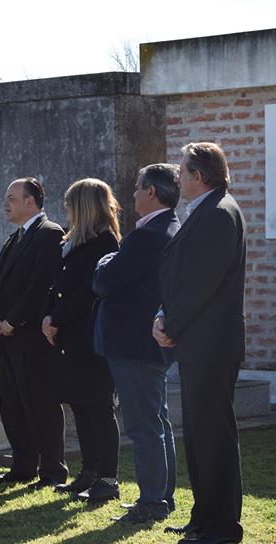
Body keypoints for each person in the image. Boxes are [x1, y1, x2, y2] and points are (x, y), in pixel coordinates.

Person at [155, 142, 246, 544]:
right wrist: (162, 316)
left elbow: (202, 285)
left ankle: (222, 526)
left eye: (182, 171)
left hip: (210, 344)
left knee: (213, 435)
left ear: (200, 176)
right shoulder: (206, 210)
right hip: (196, 340)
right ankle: (203, 517)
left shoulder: (219, 214)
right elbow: (181, 278)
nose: (177, 178)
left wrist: (170, 323)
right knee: (197, 433)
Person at [94, 164, 180, 523]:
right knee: (156, 421)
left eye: (137, 188)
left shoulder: (149, 235)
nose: (131, 194)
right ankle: (162, 497)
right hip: (147, 342)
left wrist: (104, 260)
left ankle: (152, 503)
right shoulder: (168, 228)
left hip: (134, 343)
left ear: (152, 193)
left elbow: (104, 280)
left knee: (144, 425)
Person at [42, 178, 121, 502]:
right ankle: (88, 471)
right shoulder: (75, 241)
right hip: (71, 337)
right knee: (81, 405)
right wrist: (49, 315)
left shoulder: (104, 243)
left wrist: (56, 317)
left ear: (85, 207)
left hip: (91, 338)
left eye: (71, 205)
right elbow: (59, 283)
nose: (67, 212)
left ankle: (107, 478)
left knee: (99, 407)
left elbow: (86, 292)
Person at [0, 178, 66, 487]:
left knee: (40, 406)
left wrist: (13, 321)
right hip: (5, 339)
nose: (5, 203)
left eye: (12, 198)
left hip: (31, 339)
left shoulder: (49, 234)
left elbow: (39, 287)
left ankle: (52, 470)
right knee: (13, 406)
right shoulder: (13, 238)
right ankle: (22, 466)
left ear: (31, 202)